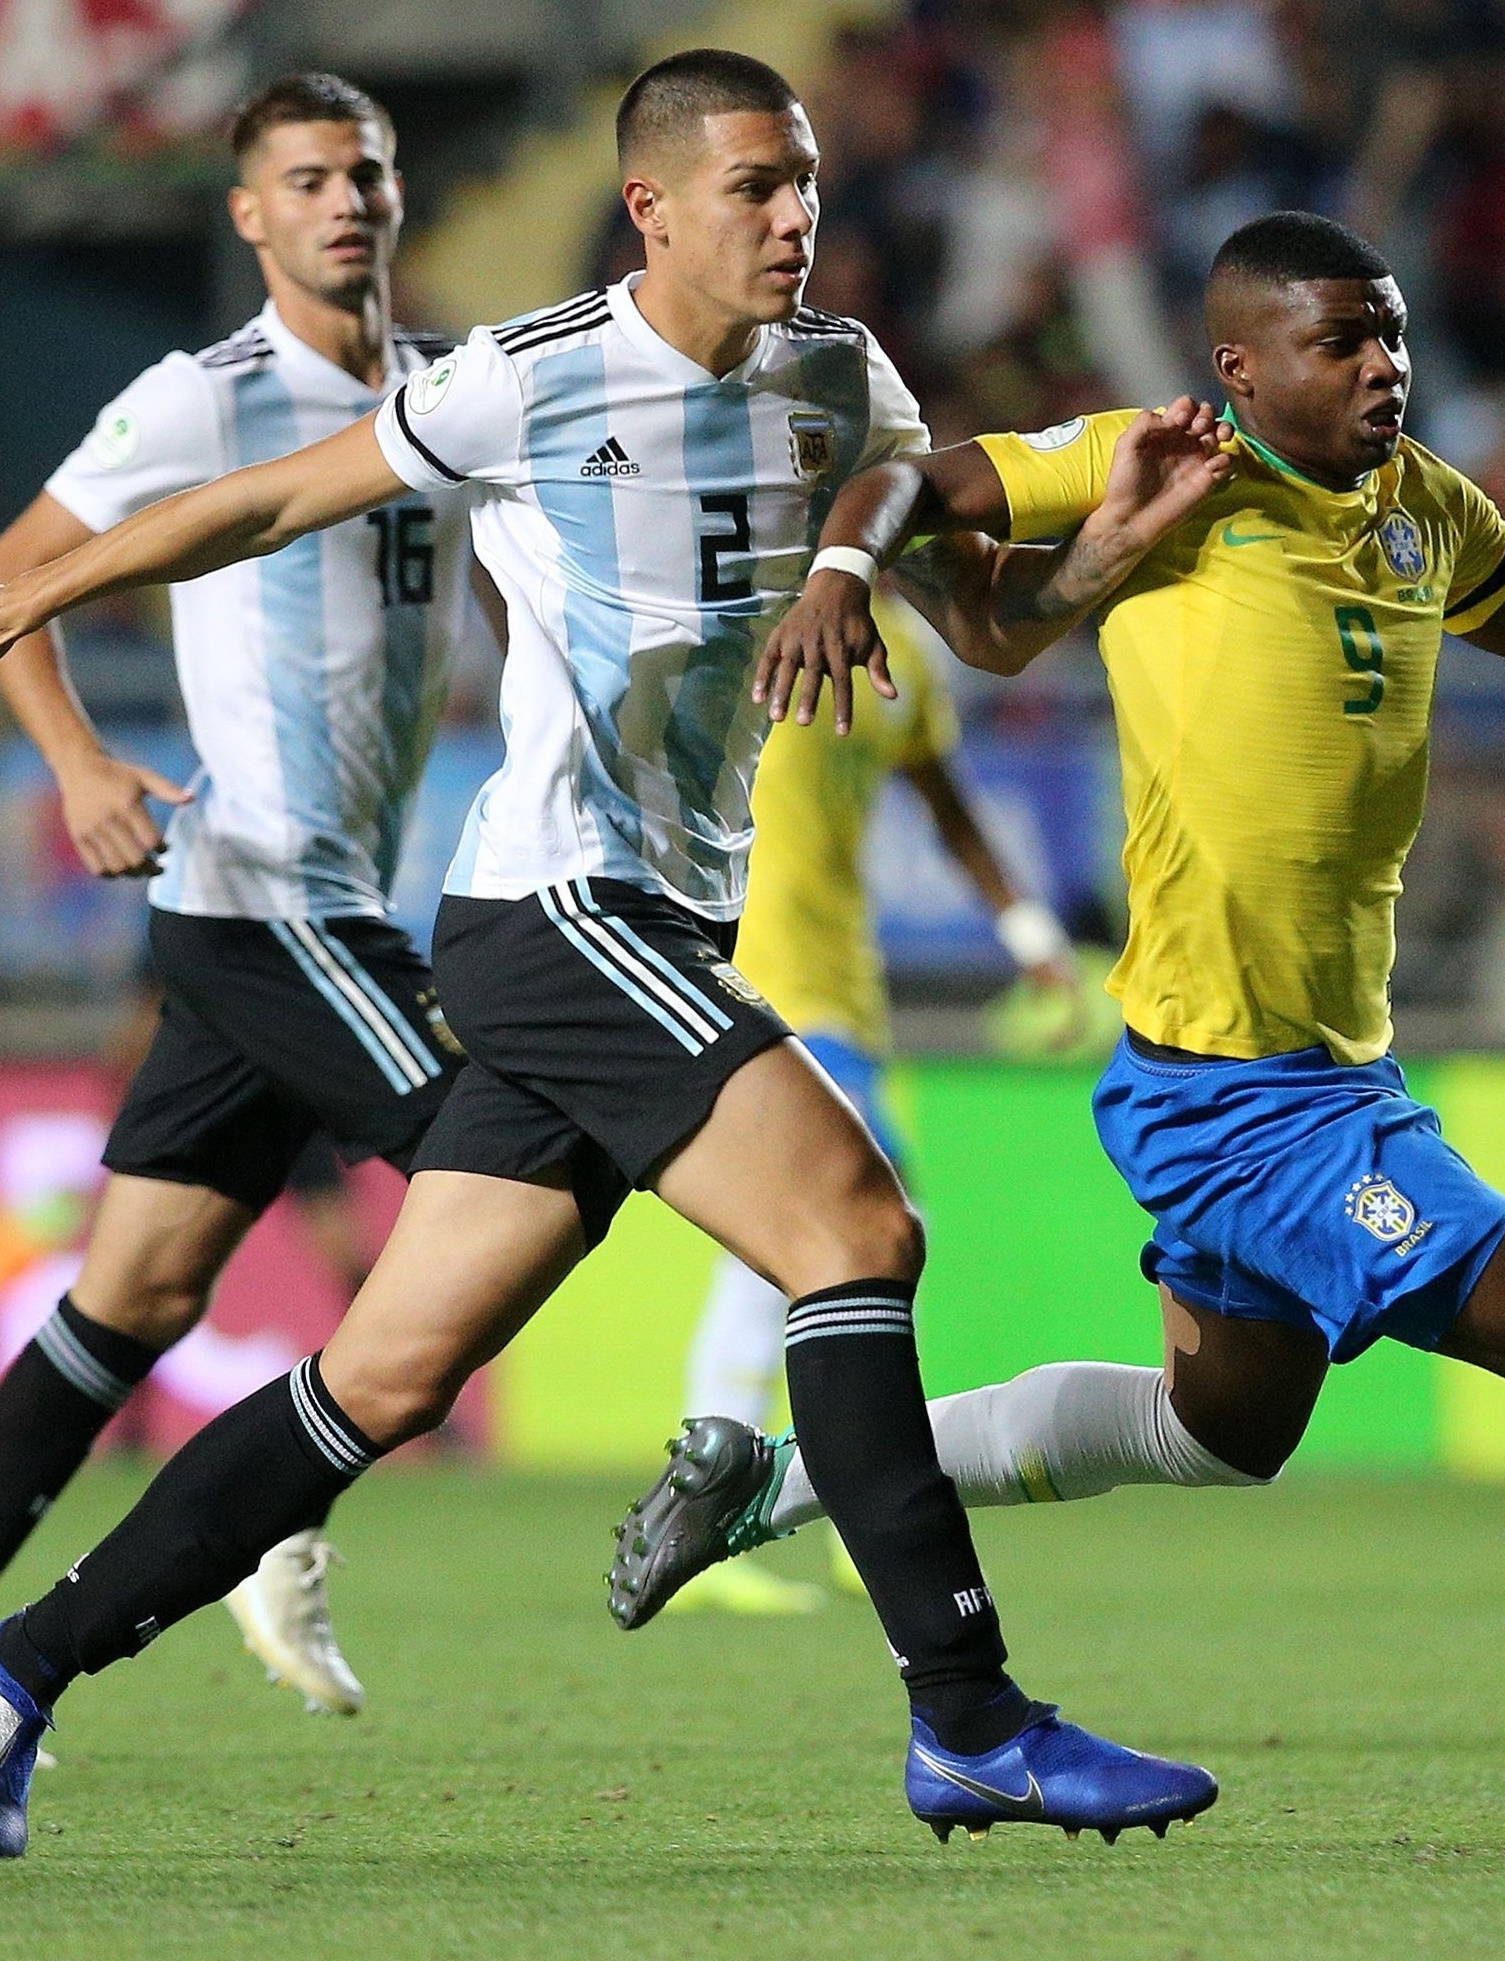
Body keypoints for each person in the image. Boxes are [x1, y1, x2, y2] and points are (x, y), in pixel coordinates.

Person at [615, 210, 1505, 1851]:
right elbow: (914, 479)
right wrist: (848, 571)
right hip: (1249, 1102)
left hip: (1305, 1069)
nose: (1385, 368)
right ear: (1239, 366)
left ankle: (785, 1474)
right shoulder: (1167, 463)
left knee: (1215, 1433)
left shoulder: (1421, 504)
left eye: (1395, 337)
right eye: (1342, 344)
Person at [0, 48, 1217, 1859]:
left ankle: (20, 1672)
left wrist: (1111, 548)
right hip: (560, 910)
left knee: (383, 1382)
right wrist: (25, 595)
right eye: (754, 187)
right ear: (652, 204)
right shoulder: (535, 373)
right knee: (859, 1229)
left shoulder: (838, 377)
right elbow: (268, 502)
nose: (795, 215)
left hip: (649, 918)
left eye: (803, 182)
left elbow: (998, 629)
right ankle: (967, 1715)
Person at [0, 72, 492, 1719]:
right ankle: (284, 1503)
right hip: (270, 893)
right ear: (249, 214)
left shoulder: (444, 391)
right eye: (307, 177)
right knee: (507, 1167)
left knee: (130, 1295)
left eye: (367, 170)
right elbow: (18, 575)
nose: (346, 199)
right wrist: (76, 761)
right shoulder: (202, 399)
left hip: (321, 896)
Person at [674, 595, 1079, 1616]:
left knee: (790, 1251)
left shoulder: (900, 649)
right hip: (761, 984)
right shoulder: (750, 610)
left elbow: (945, 806)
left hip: (844, 993)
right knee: (867, 1227)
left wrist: (1032, 941)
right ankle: (834, 1498)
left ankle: (719, 1495)